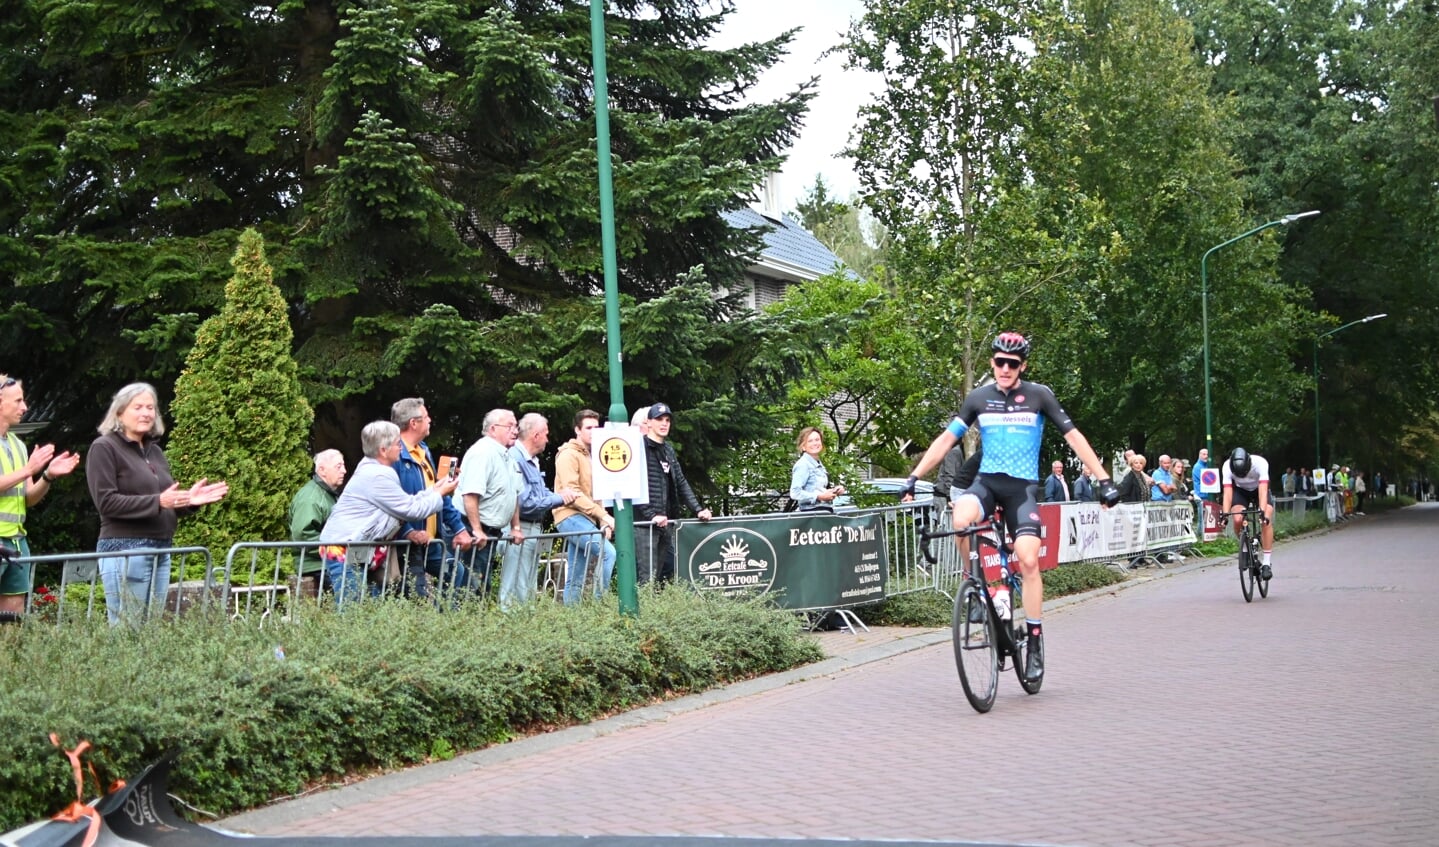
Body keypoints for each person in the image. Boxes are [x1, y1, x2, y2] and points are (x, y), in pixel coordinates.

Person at [900, 332, 1119, 682]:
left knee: (1028, 558)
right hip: (987, 483)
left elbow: (1074, 437)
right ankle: (972, 586)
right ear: (992, 362)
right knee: (961, 517)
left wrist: (1104, 479)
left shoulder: (1039, 395)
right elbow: (946, 439)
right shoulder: (978, 397)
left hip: (1022, 489)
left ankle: (1034, 639)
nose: (1004, 368)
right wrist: (913, 476)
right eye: (999, 361)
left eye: (1012, 364)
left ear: (1022, 366)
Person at [86, 383, 229, 625]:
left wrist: (188, 502)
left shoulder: (154, 452)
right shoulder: (104, 448)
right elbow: (106, 502)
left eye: (150, 408)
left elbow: (164, 502)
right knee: (128, 630)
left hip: (161, 549)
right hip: (127, 551)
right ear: (119, 413)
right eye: (138, 407)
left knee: (150, 631)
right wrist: (159, 500)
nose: (146, 413)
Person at [319, 420, 457, 608]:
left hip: (356, 549)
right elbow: (411, 510)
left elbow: (406, 502)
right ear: (383, 450)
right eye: (397, 444)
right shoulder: (377, 476)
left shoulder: (374, 469)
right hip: (344, 550)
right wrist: (440, 493)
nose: (401, 448)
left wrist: (436, 489)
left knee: (366, 611)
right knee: (351, 613)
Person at [0, 375, 82, 621]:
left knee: (13, 616)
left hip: (16, 541)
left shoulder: (18, 445)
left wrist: (47, 475)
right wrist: (28, 470)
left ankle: (11, 660)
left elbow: (28, 499)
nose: (24, 408)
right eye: (18, 401)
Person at [391, 398, 475, 598]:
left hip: (431, 542)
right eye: (426, 417)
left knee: (459, 574)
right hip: (407, 544)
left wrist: (459, 529)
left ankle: (448, 622)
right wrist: (408, 532)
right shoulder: (394, 456)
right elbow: (390, 503)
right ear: (413, 423)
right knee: (415, 596)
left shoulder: (424, 451)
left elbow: (439, 496)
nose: (430, 421)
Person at [501, 413, 577, 609]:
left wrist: (555, 497)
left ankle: (526, 625)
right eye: (545, 434)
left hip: (532, 528)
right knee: (515, 582)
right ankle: (512, 626)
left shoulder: (531, 460)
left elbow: (539, 493)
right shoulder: (516, 458)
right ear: (535, 435)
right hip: (520, 528)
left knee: (527, 583)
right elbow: (525, 502)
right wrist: (560, 498)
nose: (547, 439)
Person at [635, 402, 712, 585]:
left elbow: (680, 481)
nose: (664, 423)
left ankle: (656, 611)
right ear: (649, 423)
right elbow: (634, 485)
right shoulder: (639, 448)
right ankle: (639, 613)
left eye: (667, 420)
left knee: (660, 574)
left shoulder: (668, 449)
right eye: (659, 419)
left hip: (666, 522)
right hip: (645, 524)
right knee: (647, 578)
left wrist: (698, 509)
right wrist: (651, 515)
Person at [456, 409, 525, 595]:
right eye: (509, 426)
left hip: (490, 531)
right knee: (467, 586)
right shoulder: (483, 453)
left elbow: (513, 494)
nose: (515, 431)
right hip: (471, 529)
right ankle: (462, 622)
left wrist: (516, 527)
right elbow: (470, 495)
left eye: (516, 426)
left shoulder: (508, 456)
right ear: (493, 429)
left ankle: (478, 620)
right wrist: (477, 530)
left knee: (481, 585)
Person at [553, 409, 617, 605]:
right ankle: (600, 605)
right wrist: (603, 516)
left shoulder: (592, 455)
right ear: (577, 430)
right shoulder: (568, 455)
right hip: (569, 516)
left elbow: (596, 493)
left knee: (576, 574)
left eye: (596, 427)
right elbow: (572, 493)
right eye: (588, 427)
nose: (593, 431)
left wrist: (601, 518)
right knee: (609, 553)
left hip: (585, 519)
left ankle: (572, 619)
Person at [288, 448, 346, 595]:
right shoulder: (311, 498)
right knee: (351, 592)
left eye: (343, 466)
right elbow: (303, 535)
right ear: (322, 470)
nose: (344, 471)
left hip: (328, 562)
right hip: (316, 565)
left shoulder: (327, 494)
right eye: (338, 467)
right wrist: (337, 550)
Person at [1220, 447, 1274, 580]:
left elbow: (1262, 490)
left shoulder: (1260, 463)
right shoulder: (1227, 466)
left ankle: (1266, 563)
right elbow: (1227, 492)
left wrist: (1262, 512)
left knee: (1265, 518)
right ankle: (1245, 548)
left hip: (1259, 490)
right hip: (1241, 492)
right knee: (1237, 518)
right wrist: (1225, 514)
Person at [789, 427, 845, 511]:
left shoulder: (818, 464)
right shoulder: (803, 464)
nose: (815, 443)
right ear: (803, 447)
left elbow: (816, 489)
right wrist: (819, 497)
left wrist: (834, 491)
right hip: (812, 513)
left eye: (817, 440)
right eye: (810, 441)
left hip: (823, 511)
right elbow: (795, 493)